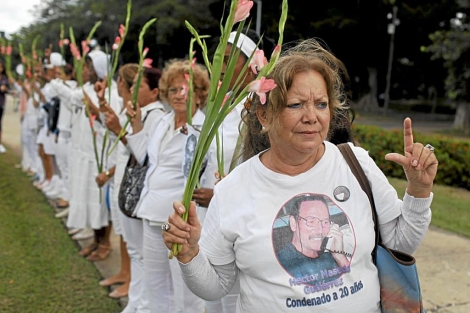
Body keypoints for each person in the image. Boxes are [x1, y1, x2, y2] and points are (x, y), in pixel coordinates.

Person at [162, 38, 438, 312]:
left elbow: (400, 243)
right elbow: (216, 286)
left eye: (321, 104)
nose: (311, 116)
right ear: (264, 115)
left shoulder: (355, 163)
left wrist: (418, 190)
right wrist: (190, 255)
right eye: (295, 105)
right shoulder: (233, 190)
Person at [125, 58, 210, 312]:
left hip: (178, 222)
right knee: (156, 285)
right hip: (151, 214)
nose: (178, 95)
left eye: (185, 89)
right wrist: (136, 126)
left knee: (185, 291)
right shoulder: (164, 121)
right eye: (173, 90)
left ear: (199, 95)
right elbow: (148, 161)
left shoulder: (204, 129)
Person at [100, 64, 167, 310]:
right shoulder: (141, 112)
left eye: (140, 85)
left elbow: (145, 158)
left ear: (154, 92)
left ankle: (142, 305)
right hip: (128, 191)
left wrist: (120, 128)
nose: (133, 89)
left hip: (140, 195)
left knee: (143, 255)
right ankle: (136, 303)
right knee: (135, 252)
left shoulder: (156, 115)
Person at [275, 194, 352, 284]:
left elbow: (354, 282)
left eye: (325, 222)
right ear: (293, 223)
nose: (320, 230)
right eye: (311, 221)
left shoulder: (330, 253)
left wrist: (339, 256)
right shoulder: (282, 264)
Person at [0, 60, 9, 153]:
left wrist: (5, 88)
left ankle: (0, 143)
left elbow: (6, 88)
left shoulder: (4, 78)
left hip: (0, 103)